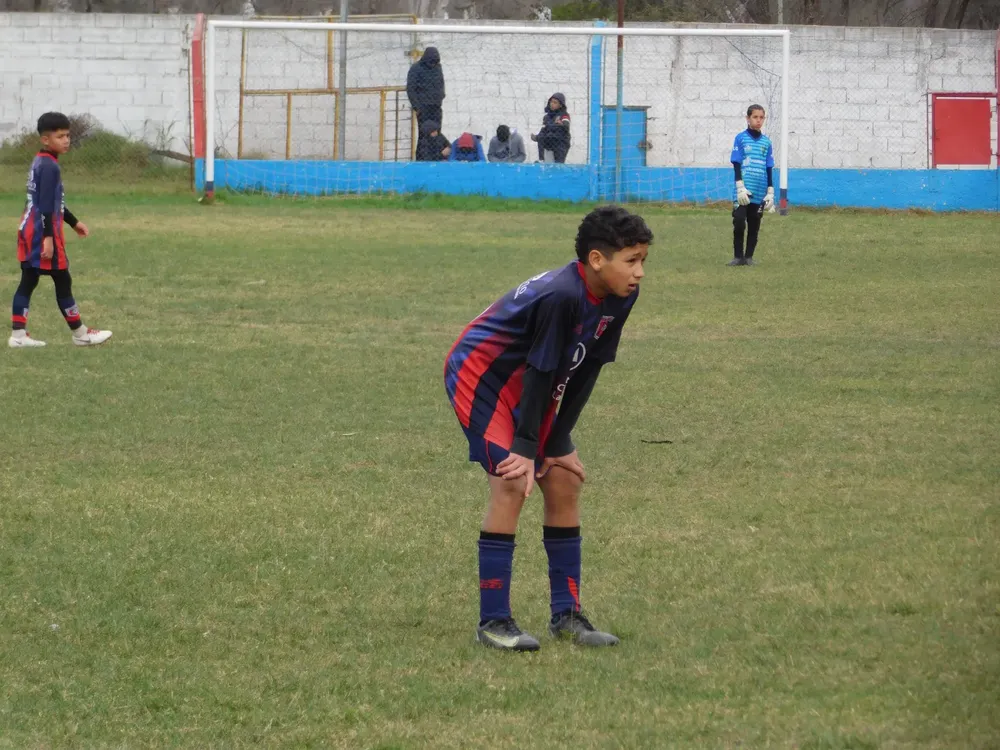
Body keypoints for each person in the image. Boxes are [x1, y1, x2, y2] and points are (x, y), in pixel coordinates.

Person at [444, 205, 653, 652]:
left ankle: (568, 615)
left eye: (643, 260)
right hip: (482, 376)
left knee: (562, 479)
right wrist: (524, 448)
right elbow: (541, 371)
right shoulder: (562, 296)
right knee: (512, 480)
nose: (639, 272)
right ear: (596, 260)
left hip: (530, 376)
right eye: (631, 260)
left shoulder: (621, 295)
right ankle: (493, 621)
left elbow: (587, 366)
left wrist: (556, 441)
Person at [9, 112, 112, 348]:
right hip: (41, 232)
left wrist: (74, 222)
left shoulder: (40, 161)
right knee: (62, 279)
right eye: (60, 136)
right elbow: (46, 205)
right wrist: (48, 238)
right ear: (46, 140)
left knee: (29, 280)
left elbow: (51, 202)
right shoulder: (50, 167)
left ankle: (18, 335)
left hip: (28, 229)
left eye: (68, 135)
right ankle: (81, 334)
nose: (66, 140)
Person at [728, 104, 775, 267]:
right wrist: (739, 186)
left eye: (761, 117)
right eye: (755, 117)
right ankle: (738, 257)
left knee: (755, 223)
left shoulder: (766, 142)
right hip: (744, 189)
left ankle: (748, 257)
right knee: (739, 221)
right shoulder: (741, 138)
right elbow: (736, 162)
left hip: (760, 189)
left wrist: (770, 190)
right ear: (748, 118)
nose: (758, 120)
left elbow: (769, 166)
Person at [407, 46, 445, 151]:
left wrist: (441, 97)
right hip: (423, 109)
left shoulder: (438, 68)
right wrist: (417, 107)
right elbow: (411, 88)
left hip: (436, 107)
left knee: (437, 135)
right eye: (431, 61)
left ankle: (436, 157)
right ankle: (422, 158)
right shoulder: (416, 68)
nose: (433, 64)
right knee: (424, 136)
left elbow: (441, 83)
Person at [531, 93, 571, 164]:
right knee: (541, 136)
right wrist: (538, 137)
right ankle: (541, 160)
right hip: (550, 139)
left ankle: (559, 164)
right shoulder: (547, 117)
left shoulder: (564, 115)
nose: (552, 104)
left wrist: (561, 124)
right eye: (551, 102)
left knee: (558, 165)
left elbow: (566, 125)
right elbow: (543, 130)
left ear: (560, 105)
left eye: (555, 102)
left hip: (561, 142)